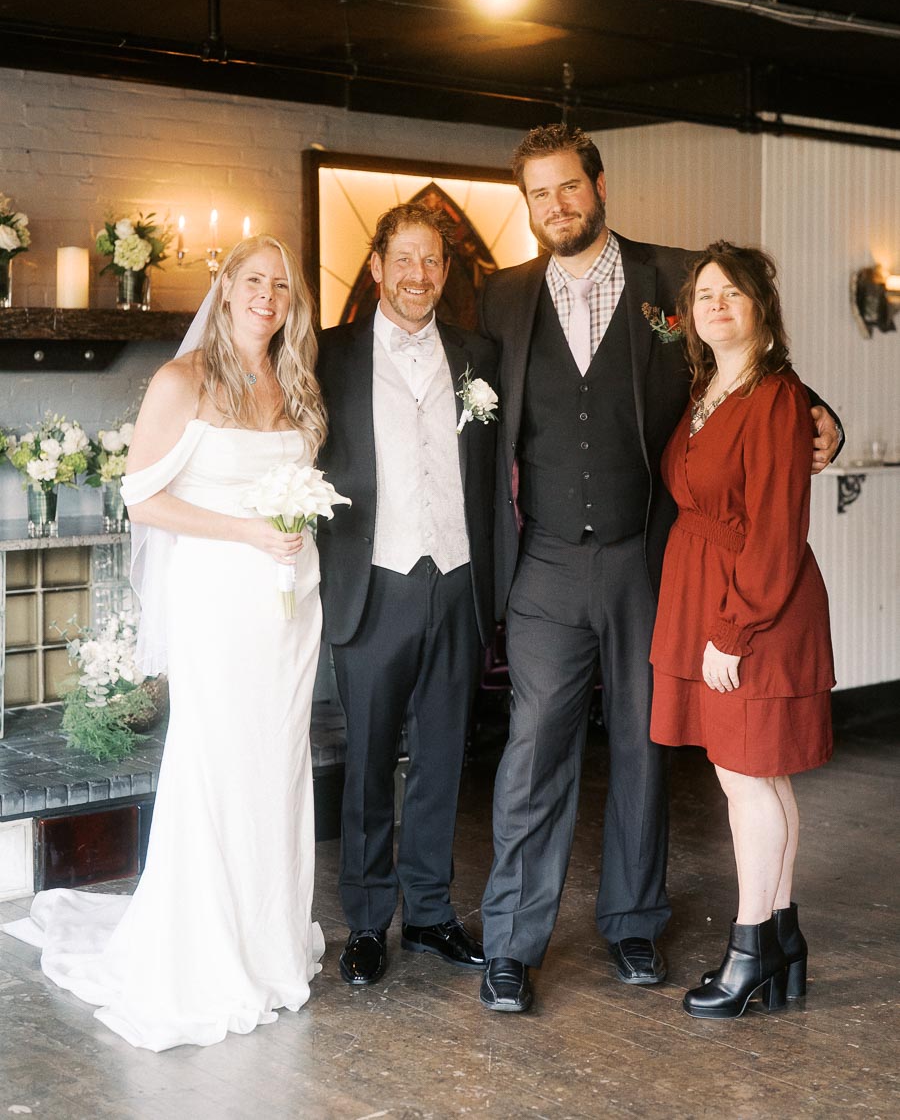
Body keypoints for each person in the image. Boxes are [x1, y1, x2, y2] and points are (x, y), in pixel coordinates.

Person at [476, 124, 841, 1014]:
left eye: (569, 187)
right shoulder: (499, 299)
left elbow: (749, 363)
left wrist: (818, 412)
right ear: (525, 205)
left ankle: (634, 925)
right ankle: (512, 944)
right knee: (533, 753)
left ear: (600, 186)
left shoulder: (673, 279)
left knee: (644, 746)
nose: (555, 205)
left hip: (653, 560)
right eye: (538, 193)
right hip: (547, 565)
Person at [3, 235, 328, 1050]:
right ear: (225, 288)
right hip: (221, 599)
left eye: (282, 287)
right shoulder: (181, 380)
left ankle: (268, 941)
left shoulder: (291, 382)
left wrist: (284, 533)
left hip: (289, 604)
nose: (267, 296)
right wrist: (249, 532)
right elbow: (142, 500)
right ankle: (208, 952)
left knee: (277, 767)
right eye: (253, 281)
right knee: (219, 765)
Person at [650, 241, 834, 1018]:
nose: (716, 305)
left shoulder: (778, 398)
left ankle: (751, 945)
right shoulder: (708, 388)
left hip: (754, 608)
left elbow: (775, 533)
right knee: (760, 776)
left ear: (763, 307)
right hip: (706, 593)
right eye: (704, 295)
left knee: (746, 780)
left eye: (732, 293)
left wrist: (733, 630)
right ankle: (783, 937)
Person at [316, 203, 497, 988]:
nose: (419, 276)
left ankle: (428, 915)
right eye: (405, 260)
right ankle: (365, 922)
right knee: (367, 761)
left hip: (457, 580)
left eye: (433, 262)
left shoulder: (478, 354)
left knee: (440, 757)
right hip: (373, 580)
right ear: (377, 267)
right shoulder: (329, 355)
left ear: (445, 273)